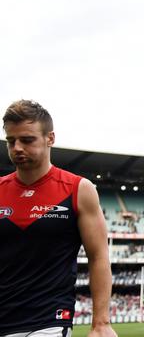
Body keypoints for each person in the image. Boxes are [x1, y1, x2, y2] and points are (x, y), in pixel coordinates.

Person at [0, 100, 116, 337]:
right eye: (11, 141)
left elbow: (99, 256)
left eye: (27, 140)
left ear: (50, 138)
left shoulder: (78, 189)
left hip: (48, 322)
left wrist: (101, 323)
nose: (17, 148)